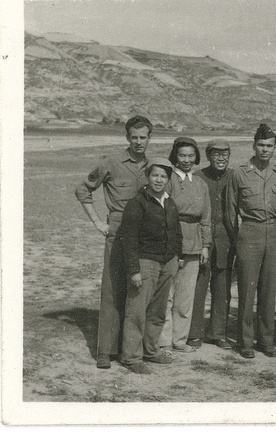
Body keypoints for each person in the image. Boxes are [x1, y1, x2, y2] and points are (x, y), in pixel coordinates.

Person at [75, 115, 152, 369]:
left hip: (145, 232)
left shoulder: (153, 166)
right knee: (112, 289)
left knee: (136, 292)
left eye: (143, 137)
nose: (139, 142)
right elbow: (83, 190)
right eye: (134, 137)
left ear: (149, 138)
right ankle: (104, 352)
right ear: (127, 137)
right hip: (118, 229)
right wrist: (98, 222)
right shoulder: (111, 162)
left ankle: (127, 349)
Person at [117, 158, 183, 374]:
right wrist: (134, 270)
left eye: (163, 176)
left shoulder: (170, 203)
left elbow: (176, 232)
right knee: (136, 312)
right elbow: (129, 239)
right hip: (145, 263)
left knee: (157, 311)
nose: (159, 180)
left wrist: (177, 257)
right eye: (155, 175)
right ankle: (132, 358)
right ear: (148, 177)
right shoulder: (138, 203)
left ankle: (151, 351)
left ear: (168, 180)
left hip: (167, 263)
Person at [225, 123, 276, 358]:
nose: (264, 150)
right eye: (261, 145)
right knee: (247, 290)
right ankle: (246, 341)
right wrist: (237, 237)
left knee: (269, 289)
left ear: (274, 148)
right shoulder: (239, 173)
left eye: (269, 146)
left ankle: (266, 341)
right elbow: (230, 211)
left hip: (274, 232)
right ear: (253, 146)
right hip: (249, 231)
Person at [158, 138, 211, 354]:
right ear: (175, 157)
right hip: (172, 241)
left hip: (194, 243)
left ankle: (179, 340)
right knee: (166, 295)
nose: (187, 160)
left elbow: (206, 216)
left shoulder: (200, 183)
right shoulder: (168, 180)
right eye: (182, 156)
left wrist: (205, 245)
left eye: (191, 156)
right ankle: (162, 342)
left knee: (185, 296)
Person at [187, 139, 235, 350]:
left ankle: (218, 333)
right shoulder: (197, 177)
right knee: (198, 285)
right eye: (216, 154)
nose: (221, 158)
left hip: (226, 239)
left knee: (222, 287)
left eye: (225, 154)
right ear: (207, 156)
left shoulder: (234, 177)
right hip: (201, 239)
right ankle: (194, 332)